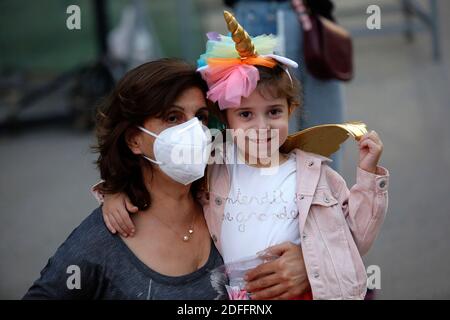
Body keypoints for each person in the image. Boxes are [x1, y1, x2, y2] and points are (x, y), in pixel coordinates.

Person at [98, 13, 390, 299]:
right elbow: (165, 181)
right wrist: (116, 191)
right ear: (226, 121)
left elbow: (354, 239)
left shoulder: (316, 177)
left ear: (291, 110)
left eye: (273, 112)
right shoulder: (214, 167)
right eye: (246, 114)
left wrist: (368, 177)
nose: (261, 127)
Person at [23, 58, 309, 300]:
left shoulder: (221, 195)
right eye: (173, 118)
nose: (194, 132)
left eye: (200, 116)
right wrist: (114, 190)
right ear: (135, 139)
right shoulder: (101, 239)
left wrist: (308, 263)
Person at [224, 0, 345, 172]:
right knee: (272, 145)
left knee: (324, 139)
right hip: (263, 14)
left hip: (311, 13)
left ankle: (324, 196)